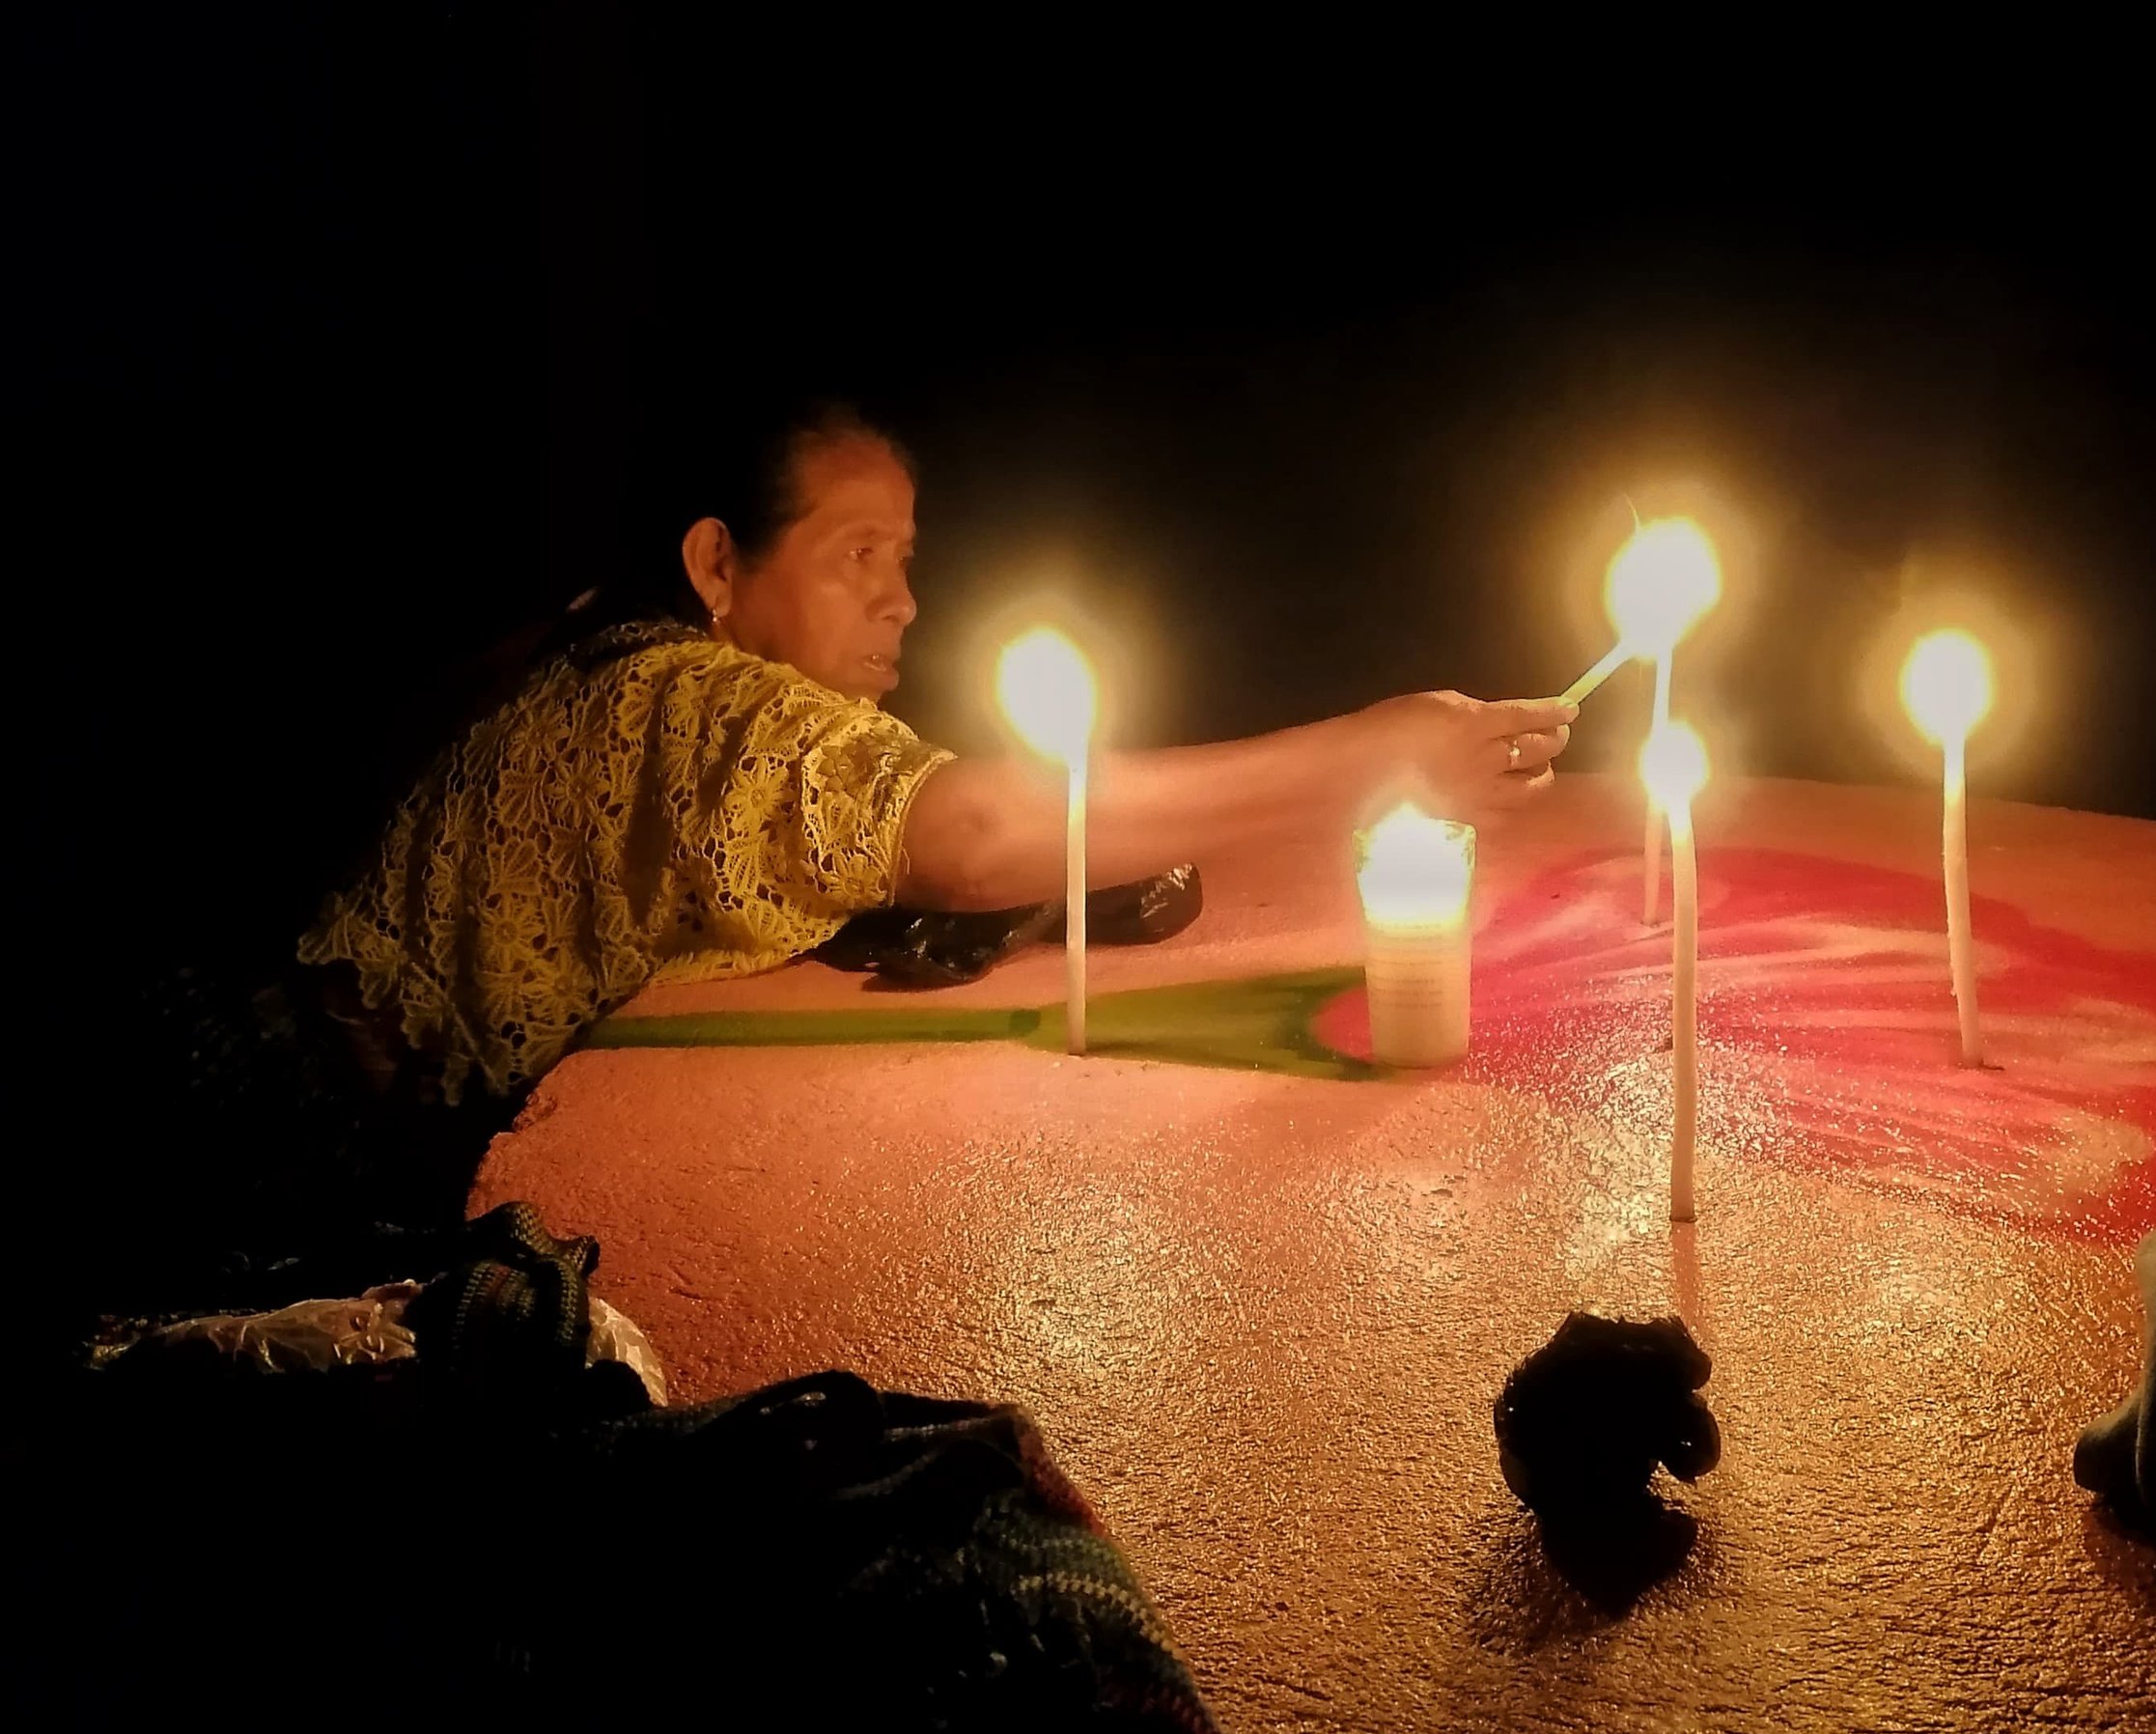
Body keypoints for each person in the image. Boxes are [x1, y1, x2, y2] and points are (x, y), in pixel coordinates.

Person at [73, 400, 1574, 1326]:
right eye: (861, 553)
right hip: (251, 1161)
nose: (904, 601)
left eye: (909, 558)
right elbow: (977, 835)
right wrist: (1377, 751)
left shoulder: (603, 648)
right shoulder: (690, 701)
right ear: (720, 564)